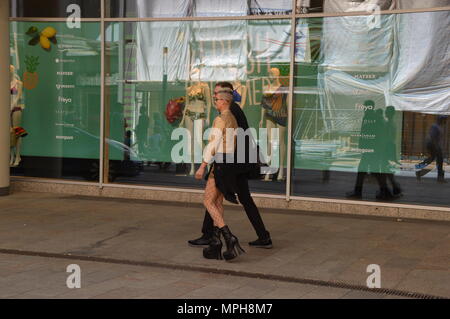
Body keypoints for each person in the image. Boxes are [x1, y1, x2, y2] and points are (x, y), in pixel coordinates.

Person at [189, 82, 272, 250]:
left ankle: (215, 235)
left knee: (223, 198)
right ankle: (213, 235)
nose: (215, 98)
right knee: (216, 197)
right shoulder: (231, 110)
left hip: (234, 162)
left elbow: (226, 141)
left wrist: (207, 164)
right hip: (234, 161)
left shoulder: (229, 113)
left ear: (226, 96)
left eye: (217, 95)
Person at [194, 89, 245, 261]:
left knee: (207, 201)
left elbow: (213, 144)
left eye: (216, 99)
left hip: (220, 164)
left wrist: (202, 166)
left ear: (224, 101)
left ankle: (229, 237)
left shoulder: (221, 119)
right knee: (217, 201)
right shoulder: (232, 118)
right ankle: (215, 243)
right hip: (229, 163)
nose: (215, 102)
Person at [415, 115, 447, 183]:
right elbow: (433, 138)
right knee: (438, 161)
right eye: (444, 119)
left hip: (435, 146)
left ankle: (419, 171)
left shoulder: (438, 126)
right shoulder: (435, 126)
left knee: (433, 160)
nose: (445, 121)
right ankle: (440, 178)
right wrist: (437, 148)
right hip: (434, 146)